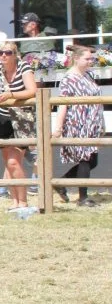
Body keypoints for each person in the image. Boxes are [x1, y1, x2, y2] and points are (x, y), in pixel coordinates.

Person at [0, 41, 38, 210]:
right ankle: (15, 201)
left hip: (21, 119)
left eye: (7, 52)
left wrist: (10, 94)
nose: (3, 56)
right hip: (2, 118)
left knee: (14, 162)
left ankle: (23, 202)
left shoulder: (24, 67)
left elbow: (32, 90)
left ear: (15, 54)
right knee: (8, 162)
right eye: (0, 53)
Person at [52, 44, 102, 208]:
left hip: (91, 123)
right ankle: (82, 197)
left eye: (91, 58)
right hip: (77, 124)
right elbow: (63, 104)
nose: (90, 61)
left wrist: (102, 122)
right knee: (85, 159)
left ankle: (61, 183)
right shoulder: (68, 79)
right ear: (76, 59)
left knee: (92, 161)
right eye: (87, 59)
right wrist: (58, 127)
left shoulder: (89, 75)